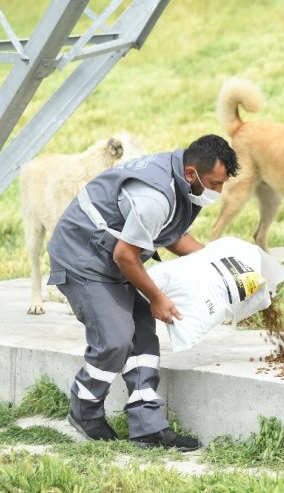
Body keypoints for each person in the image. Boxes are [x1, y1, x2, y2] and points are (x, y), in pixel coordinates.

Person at [46, 134, 239, 452]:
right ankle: (84, 409)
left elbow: (172, 235)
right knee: (116, 339)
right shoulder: (155, 196)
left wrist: (220, 268)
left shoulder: (181, 180)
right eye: (215, 183)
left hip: (113, 257)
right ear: (192, 174)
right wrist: (158, 298)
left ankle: (147, 428)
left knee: (144, 339)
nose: (218, 192)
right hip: (83, 259)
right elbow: (125, 255)